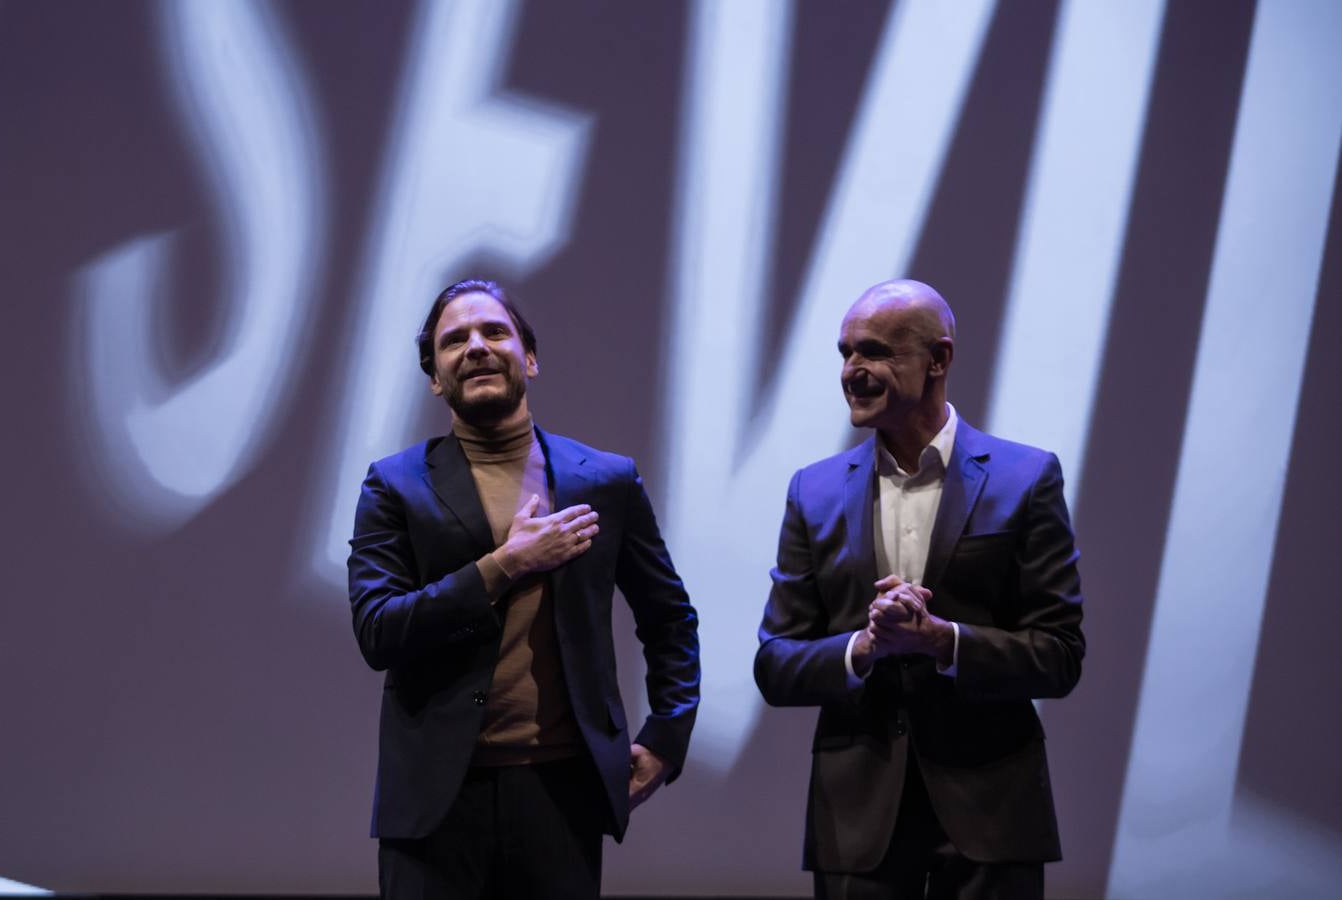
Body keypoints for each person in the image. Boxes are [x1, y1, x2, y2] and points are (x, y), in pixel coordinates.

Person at [348, 279, 700, 899]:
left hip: (560, 792)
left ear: (529, 359)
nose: (476, 346)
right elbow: (378, 630)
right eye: (453, 340)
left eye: (494, 332)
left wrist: (665, 740)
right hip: (435, 802)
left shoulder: (606, 480)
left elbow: (669, 619)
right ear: (436, 376)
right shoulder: (393, 486)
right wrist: (503, 565)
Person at [754, 279, 1085, 899]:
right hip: (856, 818)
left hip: (993, 811)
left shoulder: (1026, 478)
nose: (852, 370)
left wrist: (944, 642)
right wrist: (864, 648)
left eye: (874, 352)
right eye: (845, 353)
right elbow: (776, 664)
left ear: (939, 359)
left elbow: (1061, 655)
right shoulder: (814, 491)